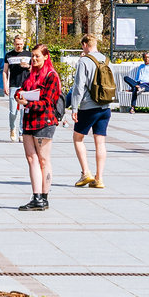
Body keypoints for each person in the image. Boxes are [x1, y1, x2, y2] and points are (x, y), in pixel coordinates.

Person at [16, 44, 62, 211]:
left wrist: (28, 102)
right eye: (33, 56)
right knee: (31, 158)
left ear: (45, 57)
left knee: (43, 159)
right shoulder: (31, 74)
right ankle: (36, 196)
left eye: (37, 56)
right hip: (29, 120)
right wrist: (19, 95)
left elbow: (48, 103)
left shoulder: (51, 76)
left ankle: (44, 196)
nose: (34, 59)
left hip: (44, 121)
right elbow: (22, 89)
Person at [70, 34, 113, 189]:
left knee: (78, 138)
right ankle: (99, 178)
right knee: (100, 142)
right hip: (105, 106)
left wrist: (75, 107)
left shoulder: (84, 61)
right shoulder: (107, 60)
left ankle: (85, 172)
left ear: (85, 44)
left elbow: (78, 87)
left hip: (88, 107)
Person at [3, 34, 32, 143]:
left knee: (24, 111)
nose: (19, 46)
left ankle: (21, 132)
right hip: (13, 86)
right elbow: (5, 71)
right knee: (13, 111)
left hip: (25, 87)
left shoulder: (29, 55)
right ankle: (12, 128)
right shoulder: (9, 55)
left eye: (20, 44)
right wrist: (5, 85)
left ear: (23, 44)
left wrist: (28, 66)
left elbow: (34, 70)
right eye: (17, 44)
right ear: (13, 44)